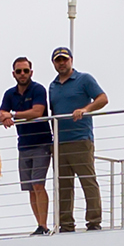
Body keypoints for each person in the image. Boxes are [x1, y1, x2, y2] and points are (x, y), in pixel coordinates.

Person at [46, 48, 107, 232]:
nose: (61, 63)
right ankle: (66, 224)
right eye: (58, 60)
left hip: (80, 139)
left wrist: (85, 109)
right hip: (60, 142)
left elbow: (103, 98)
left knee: (88, 181)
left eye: (64, 59)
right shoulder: (52, 86)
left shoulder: (84, 79)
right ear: (53, 63)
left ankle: (94, 221)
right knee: (63, 185)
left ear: (71, 60)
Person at [0, 57, 52, 234]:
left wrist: (12, 115)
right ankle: (39, 225)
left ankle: (43, 225)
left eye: (25, 71)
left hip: (41, 143)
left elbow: (37, 111)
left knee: (38, 184)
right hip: (23, 145)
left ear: (31, 72)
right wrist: (4, 117)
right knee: (30, 188)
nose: (22, 74)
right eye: (19, 71)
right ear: (13, 74)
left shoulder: (38, 89)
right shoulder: (10, 94)